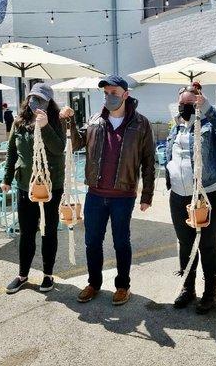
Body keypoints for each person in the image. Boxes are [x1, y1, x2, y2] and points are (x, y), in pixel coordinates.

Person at [59, 75, 155, 305]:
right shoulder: (95, 120)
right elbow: (76, 143)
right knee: (92, 241)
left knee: (121, 242)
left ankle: (123, 286)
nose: (109, 97)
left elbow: (149, 161)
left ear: (125, 94)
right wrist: (68, 122)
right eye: (106, 93)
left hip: (123, 195)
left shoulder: (141, 124)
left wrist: (147, 195)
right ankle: (94, 283)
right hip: (95, 193)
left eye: (114, 92)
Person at [166, 82, 216, 314]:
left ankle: (210, 294)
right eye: (182, 103)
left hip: (208, 195)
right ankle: (188, 289)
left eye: (190, 103)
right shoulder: (176, 126)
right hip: (179, 195)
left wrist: (208, 109)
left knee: (207, 246)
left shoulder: (209, 124)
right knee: (186, 244)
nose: (185, 107)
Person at [2, 83, 65, 294]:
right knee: (27, 232)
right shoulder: (19, 123)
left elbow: (58, 149)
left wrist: (45, 126)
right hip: (25, 185)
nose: (35, 102)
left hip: (51, 186)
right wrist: (7, 178)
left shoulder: (57, 120)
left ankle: (48, 274)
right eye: (33, 98)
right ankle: (23, 275)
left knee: (48, 231)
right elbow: (12, 153)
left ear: (49, 103)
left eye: (41, 100)